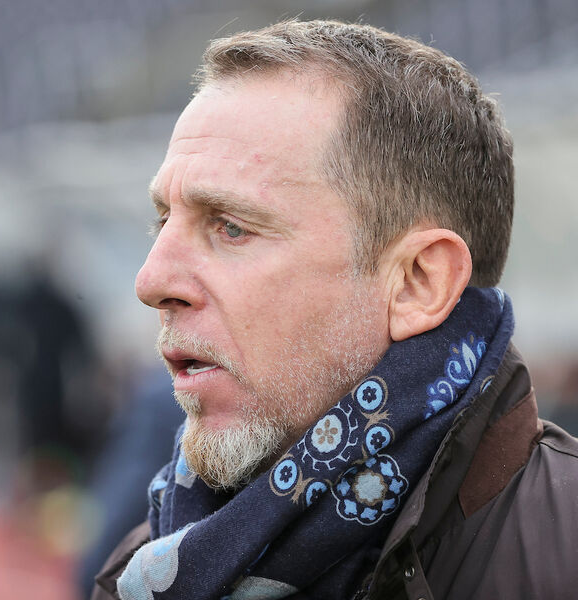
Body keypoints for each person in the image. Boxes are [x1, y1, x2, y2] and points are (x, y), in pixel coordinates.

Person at [91, 19, 578, 600]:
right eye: (163, 221)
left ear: (418, 283)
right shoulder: (139, 571)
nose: (150, 281)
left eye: (232, 227)